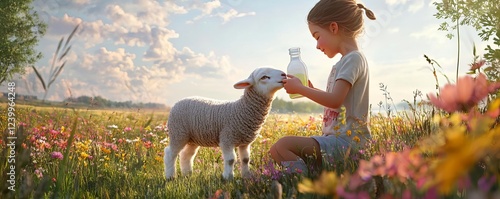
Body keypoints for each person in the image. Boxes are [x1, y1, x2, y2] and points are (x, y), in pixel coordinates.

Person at [269, 0, 376, 172]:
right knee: (278, 149)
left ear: (334, 28)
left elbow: (334, 100)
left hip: (347, 144)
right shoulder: (345, 61)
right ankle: (311, 174)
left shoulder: (353, 59)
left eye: (317, 36)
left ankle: (303, 182)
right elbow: (338, 102)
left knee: (281, 147)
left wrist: (301, 89)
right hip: (337, 142)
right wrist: (309, 89)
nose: (317, 46)